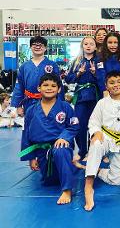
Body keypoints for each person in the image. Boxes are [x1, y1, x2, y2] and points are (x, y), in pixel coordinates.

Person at [83, 70, 120, 211]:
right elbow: (93, 121)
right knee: (96, 145)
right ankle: (88, 186)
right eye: (111, 83)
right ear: (106, 86)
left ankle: (97, 171)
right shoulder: (102, 103)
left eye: (118, 82)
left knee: (117, 181)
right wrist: (96, 132)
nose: (115, 85)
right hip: (106, 137)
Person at [19, 73, 79, 205]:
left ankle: (67, 189)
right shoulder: (31, 110)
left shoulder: (65, 107)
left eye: (53, 85)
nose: (49, 88)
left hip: (61, 148)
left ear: (58, 89)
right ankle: (71, 167)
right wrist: (31, 157)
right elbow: (26, 134)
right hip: (42, 153)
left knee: (60, 149)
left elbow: (74, 126)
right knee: (50, 181)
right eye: (45, 85)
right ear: (39, 88)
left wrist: (64, 137)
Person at [65, 36, 100, 163]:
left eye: (92, 44)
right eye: (86, 44)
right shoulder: (76, 61)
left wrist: (96, 73)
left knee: (96, 126)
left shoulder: (100, 61)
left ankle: (95, 151)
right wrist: (78, 73)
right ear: (82, 46)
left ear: (96, 46)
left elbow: (105, 79)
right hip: (80, 97)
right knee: (80, 125)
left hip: (96, 96)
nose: (89, 46)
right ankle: (82, 151)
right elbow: (68, 79)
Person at [11, 36, 63, 115]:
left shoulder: (52, 65)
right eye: (35, 45)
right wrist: (18, 105)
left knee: (47, 125)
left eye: (41, 45)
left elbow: (59, 85)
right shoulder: (24, 66)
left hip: (49, 101)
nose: (38, 47)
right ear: (30, 47)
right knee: (29, 125)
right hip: (29, 102)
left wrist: (60, 103)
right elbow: (19, 87)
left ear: (45, 48)